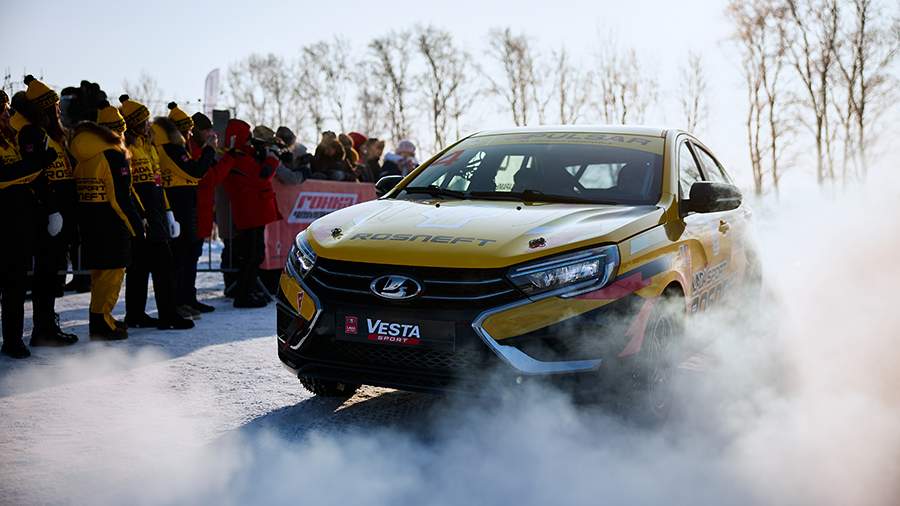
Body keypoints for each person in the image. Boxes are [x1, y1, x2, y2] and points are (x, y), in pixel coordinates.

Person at [10, 79, 79, 348]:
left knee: (52, 272)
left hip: (60, 211)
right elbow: (38, 173)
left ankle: (47, 324)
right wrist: (52, 210)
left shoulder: (52, 134)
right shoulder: (31, 132)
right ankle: (43, 328)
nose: (59, 110)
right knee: (46, 273)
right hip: (47, 213)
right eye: (55, 106)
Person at [118, 96, 193, 330]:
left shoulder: (149, 146)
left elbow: (158, 184)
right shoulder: (127, 147)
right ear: (132, 124)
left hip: (157, 212)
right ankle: (165, 315)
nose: (147, 124)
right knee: (158, 266)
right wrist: (140, 213)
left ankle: (136, 315)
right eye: (142, 121)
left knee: (144, 266)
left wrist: (168, 211)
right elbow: (128, 186)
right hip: (143, 214)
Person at [70, 116, 144, 340]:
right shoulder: (112, 155)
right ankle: (101, 322)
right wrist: (136, 226)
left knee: (99, 275)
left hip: (90, 220)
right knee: (112, 273)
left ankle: (101, 318)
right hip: (111, 223)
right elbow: (120, 197)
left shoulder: (84, 154)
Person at [0, 90, 57, 358]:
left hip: (17, 220)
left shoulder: (9, 139)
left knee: (16, 284)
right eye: (2, 110)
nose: (7, 114)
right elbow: (4, 176)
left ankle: (13, 340)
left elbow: (26, 174)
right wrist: (37, 164)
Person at [155, 103, 216, 319]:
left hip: (184, 202)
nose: (190, 135)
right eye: (188, 130)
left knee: (187, 255)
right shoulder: (171, 148)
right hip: (177, 203)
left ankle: (184, 299)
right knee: (179, 257)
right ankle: (176, 303)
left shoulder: (176, 146)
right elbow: (196, 171)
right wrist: (209, 150)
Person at [222, 119, 282, 308]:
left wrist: (264, 152)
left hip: (253, 211)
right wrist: (273, 158)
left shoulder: (245, 155)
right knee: (251, 255)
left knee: (255, 254)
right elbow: (262, 176)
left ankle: (248, 290)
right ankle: (243, 294)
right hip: (249, 211)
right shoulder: (238, 157)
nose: (250, 140)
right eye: (247, 137)